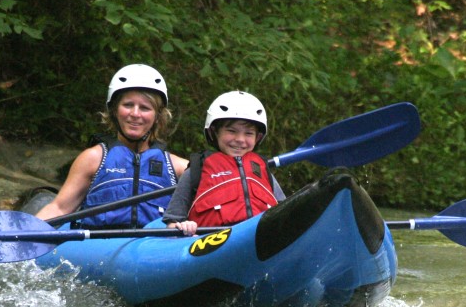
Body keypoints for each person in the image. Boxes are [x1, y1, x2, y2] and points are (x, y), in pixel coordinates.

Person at [34, 64, 189, 228]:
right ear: (114, 110)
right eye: (128, 105)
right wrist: (21, 240)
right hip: (98, 247)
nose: (135, 114)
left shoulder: (179, 168)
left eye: (145, 108)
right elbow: (59, 208)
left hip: (153, 247)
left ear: (157, 116)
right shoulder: (93, 158)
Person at [164, 90, 286, 236]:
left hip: (259, 239)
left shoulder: (263, 172)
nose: (240, 139)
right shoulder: (197, 171)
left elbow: (285, 214)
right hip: (211, 244)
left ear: (258, 137)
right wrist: (183, 227)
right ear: (214, 132)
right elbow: (172, 222)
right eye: (232, 131)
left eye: (248, 133)